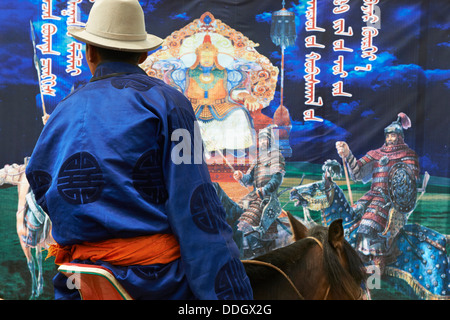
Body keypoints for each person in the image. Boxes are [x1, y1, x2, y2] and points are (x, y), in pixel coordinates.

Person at [25, 0, 252, 300]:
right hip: (155, 284)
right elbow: (196, 206)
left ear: (89, 53)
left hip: (78, 285)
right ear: (143, 54)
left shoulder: (61, 113)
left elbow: (41, 183)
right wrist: (232, 298)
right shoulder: (168, 103)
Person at [336, 112, 419, 269]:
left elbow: (409, 182)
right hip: (371, 196)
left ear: (400, 136)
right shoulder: (376, 154)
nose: (389, 139)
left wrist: (397, 202)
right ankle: (352, 260)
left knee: (367, 227)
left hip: (389, 201)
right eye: (388, 136)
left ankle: (376, 270)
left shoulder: (408, 155)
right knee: (349, 218)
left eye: (393, 136)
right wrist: (347, 154)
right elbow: (358, 172)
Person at [214, 125, 285, 258]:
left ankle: (257, 251)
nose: (263, 142)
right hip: (253, 195)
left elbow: (276, 179)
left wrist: (264, 190)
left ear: (270, 140)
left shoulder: (276, 156)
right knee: (234, 212)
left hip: (267, 198)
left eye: (265, 139)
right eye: (261, 139)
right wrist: (241, 176)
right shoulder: (258, 159)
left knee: (247, 221)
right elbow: (249, 179)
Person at [185, 34, 258, 154]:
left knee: (238, 113)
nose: (207, 59)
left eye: (210, 56)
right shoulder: (189, 73)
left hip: (221, 106)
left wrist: (246, 96)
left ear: (215, 57)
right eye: (204, 56)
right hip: (194, 106)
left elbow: (233, 92)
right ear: (198, 57)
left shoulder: (224, 73)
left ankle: (234, 147)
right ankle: (194, 149)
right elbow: (179, 91)